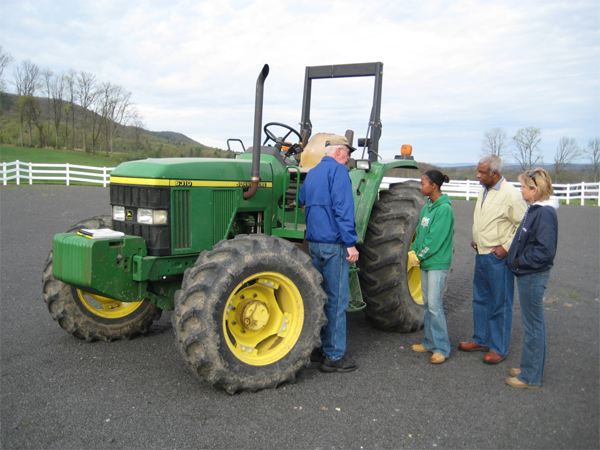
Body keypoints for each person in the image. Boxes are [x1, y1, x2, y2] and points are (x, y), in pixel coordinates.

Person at [299, 135, 359, 373]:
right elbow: (343, 208)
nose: (348, 159)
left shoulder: (312, 173)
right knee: (337, 300)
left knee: (320, 297)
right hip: (334, 244)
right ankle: (333, 355)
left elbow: (302, 199)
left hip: (314, 242)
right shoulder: (339, 172)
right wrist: (351, 243)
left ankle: (318, 348)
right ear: (337, 152)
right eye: (347, 154)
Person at [458, 155, 527, 364]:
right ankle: (481, 339)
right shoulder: (484, 190)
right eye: (478, 171)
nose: (478, 176)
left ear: (494, 173)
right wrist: (478, 239)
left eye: (482, 172)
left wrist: (506, 247)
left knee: (500, 303)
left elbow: (523, 225)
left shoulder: (511, 195)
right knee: (480, 299)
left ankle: (498, 348)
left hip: (497, 258)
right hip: (481, 253)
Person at [505, 168, 558, 389]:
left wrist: (518, 261)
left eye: (524, 187)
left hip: (533, 275)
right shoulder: (536, 209)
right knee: (533, 324)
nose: (521, 190)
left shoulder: (544, 213)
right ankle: (530, 365)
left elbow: (544, 251)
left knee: (534, 325)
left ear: (535, 190)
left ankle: (530, 376)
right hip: (529, 273)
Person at [409, 170, 454, 364]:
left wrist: (418, 255)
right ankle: (429, 342)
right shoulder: (428, 206)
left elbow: (435, 239)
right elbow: (420, 232)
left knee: (435, 306)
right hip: (426, 262)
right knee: (427, 304)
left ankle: (442, 347)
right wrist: (413, 249)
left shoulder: (444, 209)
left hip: (436, 263)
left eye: (423, 183)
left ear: (433, 186)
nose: (421, 186)